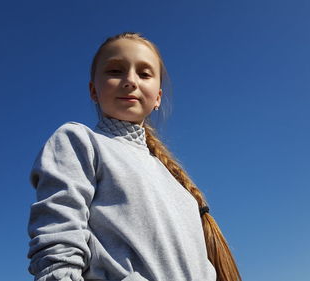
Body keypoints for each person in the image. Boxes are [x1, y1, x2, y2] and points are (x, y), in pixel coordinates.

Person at [27, 32, 242, 281]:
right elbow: (58, 240)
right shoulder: (79, 140)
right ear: (93, 90)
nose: (130, 81)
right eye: (115, 71)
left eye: (144, 73)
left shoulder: (178, 184)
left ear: (158, 97)